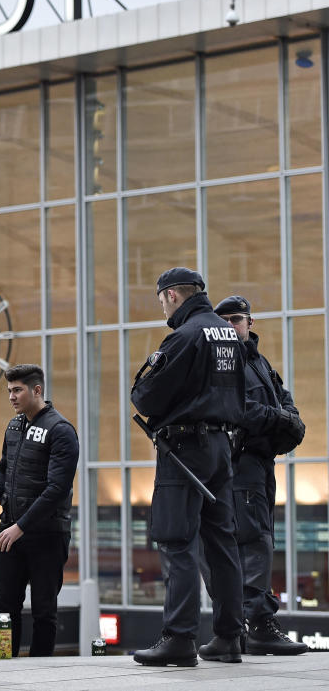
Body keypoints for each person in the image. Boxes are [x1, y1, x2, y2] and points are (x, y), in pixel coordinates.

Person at [130, 268, 246, 667]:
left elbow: (145, 396)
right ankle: (230, 637)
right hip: (221, 446)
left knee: (177, 541)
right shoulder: (228, 333)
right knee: (221, 542)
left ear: (173, 295)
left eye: (162, 299)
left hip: (184, 449)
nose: (162, 306)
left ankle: (179, 638)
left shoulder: (185, 336)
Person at [211, 295, 306, 655]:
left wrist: (286, 421)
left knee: (261, 541)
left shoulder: (260, 363)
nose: (230, 326)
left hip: (260, 465)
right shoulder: (220, 362)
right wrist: (280, 420)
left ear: (250, 323)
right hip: (239, 464)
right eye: (224, 320)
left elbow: (285, 401)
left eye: (236, 319)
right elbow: (236, 409)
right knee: (252, 543)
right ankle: (256, 625)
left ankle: (252, 625)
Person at [0, 364, 79, 658]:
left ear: (37, 390)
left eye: (17, 390)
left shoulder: (61, 430)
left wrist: (21, 527)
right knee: (5, 608)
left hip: (46, 534)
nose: (11, 397)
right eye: (9, 390)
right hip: (10, 531)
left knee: (45, 610)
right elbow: (4, 470)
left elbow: (57, 490)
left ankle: (40, 673)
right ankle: (5, 665)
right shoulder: (14, 426)